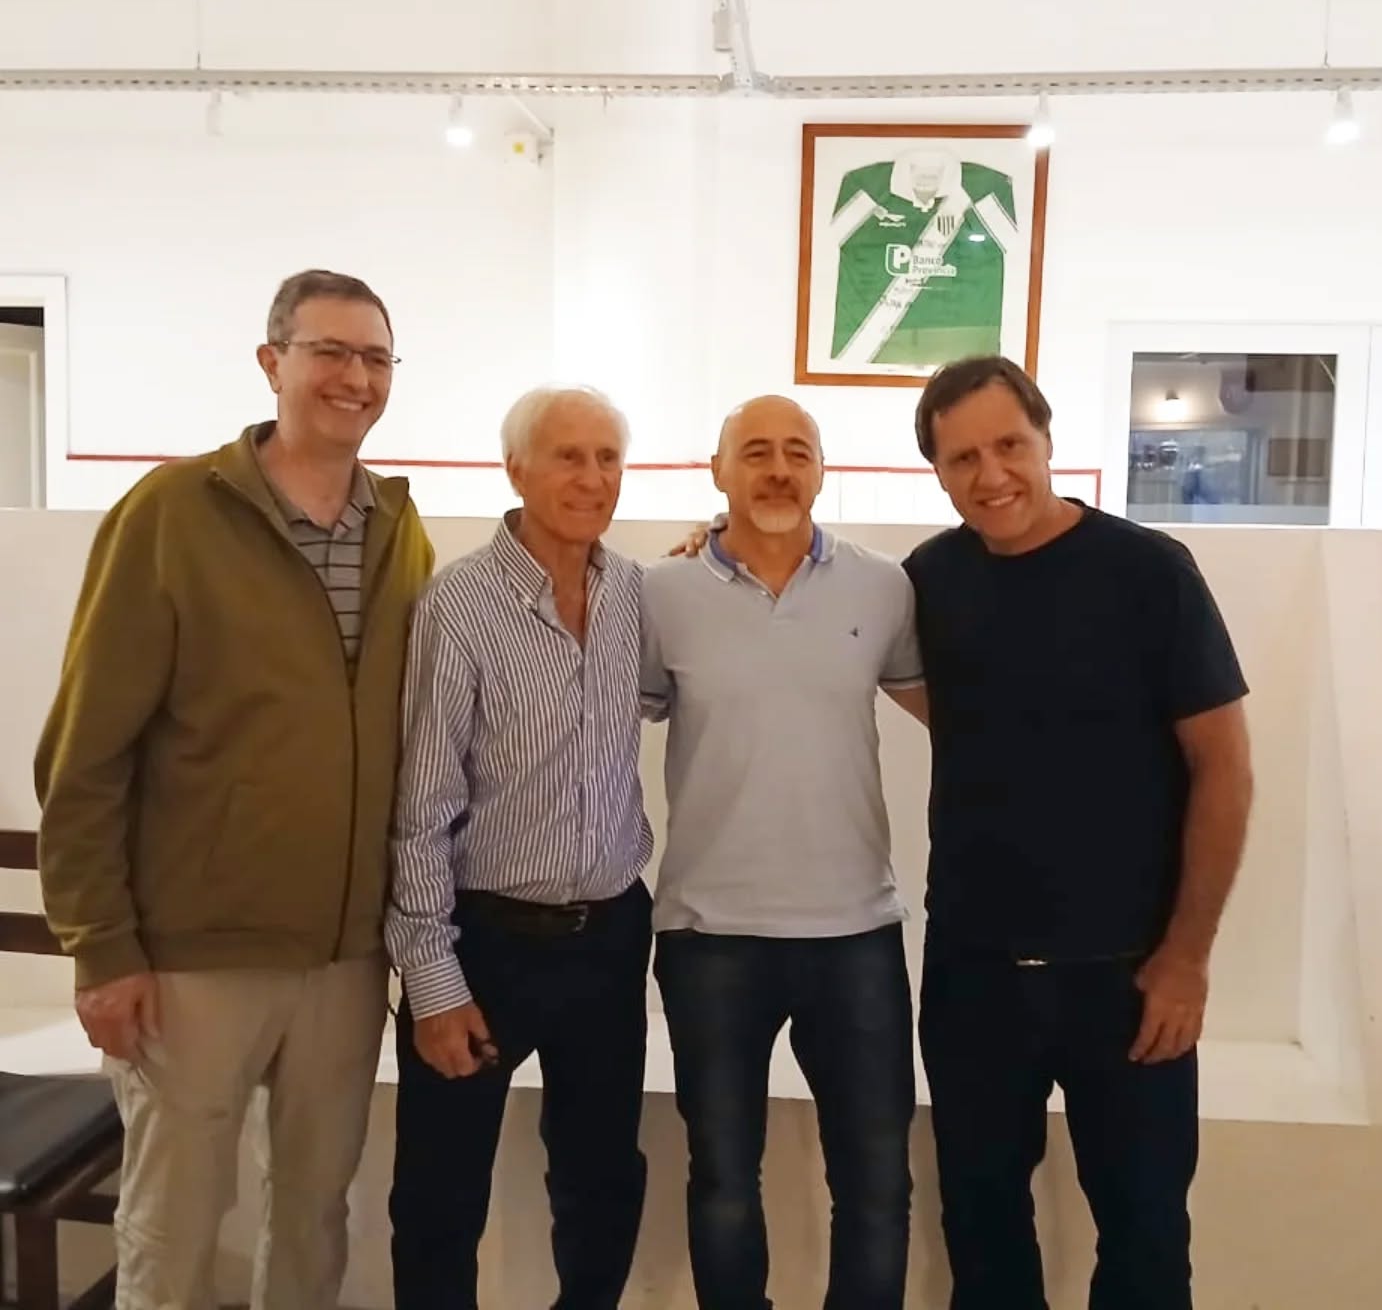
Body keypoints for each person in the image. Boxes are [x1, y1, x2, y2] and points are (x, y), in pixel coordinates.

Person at [35, 269, 434, 1310]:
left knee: (313, 1216)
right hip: (193, 956)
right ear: (272, 363)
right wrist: (101, 946)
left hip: (345, 958)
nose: (355, 378)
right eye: (329, 352)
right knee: (173, 1226)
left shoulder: (398, 530)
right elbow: (83, 752)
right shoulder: (173, 513)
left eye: (375, 358)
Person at [903, 356, 1253, 1310]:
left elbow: (1224, 769)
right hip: (974, 977)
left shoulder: (1148, 573)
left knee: (1145, 1244)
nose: (991, 474)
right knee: (982, 1241)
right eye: (962, 458)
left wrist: (1186, 959)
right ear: (938, 472)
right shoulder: (930, 579)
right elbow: (825, 623)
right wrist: (716, 544)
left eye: (1009, 445)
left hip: (1130, 978)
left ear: (1047, 440)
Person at [642, 395, 927, 1310]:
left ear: (822, 470)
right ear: (717, 472)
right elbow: (604, 718)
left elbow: (957, 715)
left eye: (797, 452)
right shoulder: (659, 595)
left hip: (857, 934)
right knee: (725, 1181)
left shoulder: (883, 588)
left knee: (877, 1188)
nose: (777, 469)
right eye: (755, 452)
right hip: (709, 937)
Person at [385, 386, 653, 1310]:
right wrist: (433, 983)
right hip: (485, 944)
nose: (593, 478)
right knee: (440, 1197)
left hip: (610, 939)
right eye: (568, 457)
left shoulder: (633, 594)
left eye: (608, 458)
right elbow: (419, 809)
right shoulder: (458, 605)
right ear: (516, 471)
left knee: (602, 1181)